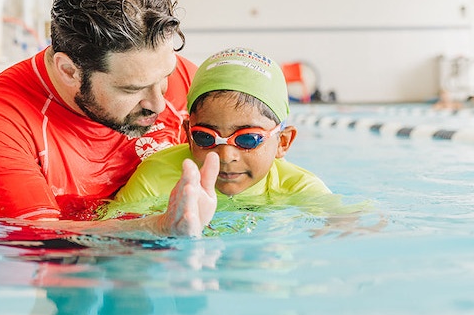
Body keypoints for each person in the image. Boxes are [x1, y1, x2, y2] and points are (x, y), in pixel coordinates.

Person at [0, 0, 218, 237]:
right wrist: (158, 228)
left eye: (164, 77)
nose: (159, 104)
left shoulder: (182, 78)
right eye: (131, 89)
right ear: (69, 71)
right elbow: (36, 239)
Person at [99, 47, 332, 221]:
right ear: (188, 134)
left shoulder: (299, 188)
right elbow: (106, 233)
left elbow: (346, 228)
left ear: (282, 142)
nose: (226, 155)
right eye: (205, 137)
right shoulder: (157, 175)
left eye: (247, 138)